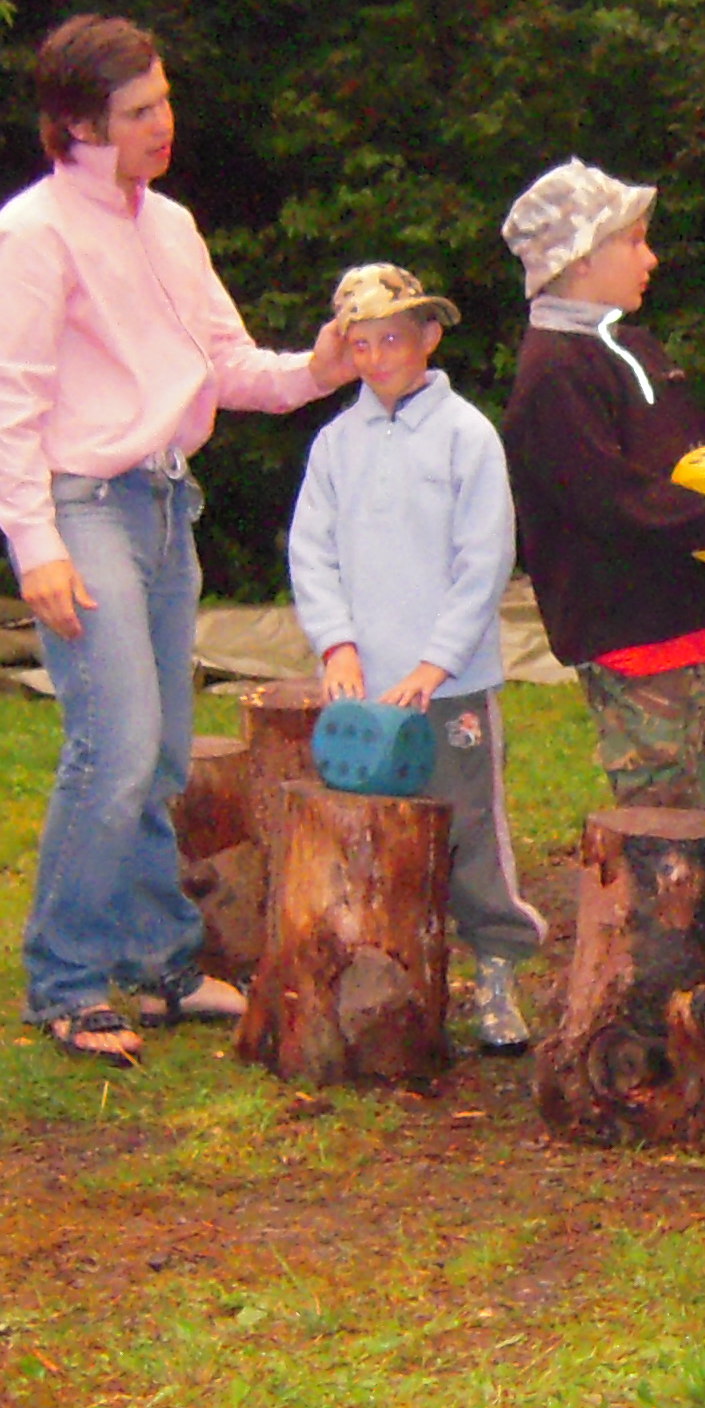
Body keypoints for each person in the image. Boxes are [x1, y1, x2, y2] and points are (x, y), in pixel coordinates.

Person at [0, 15, 353, 1068]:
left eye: (165, 100)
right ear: (80, 127)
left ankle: (160, 965)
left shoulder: (171, 226)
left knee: (166, 752)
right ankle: (66, 982)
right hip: (81, 506)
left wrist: (319, 367)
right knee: (116, 744)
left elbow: (224, 364)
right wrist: (35, 544)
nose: (163, 123)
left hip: (166, 504)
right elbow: (1, 403)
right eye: (139, 111)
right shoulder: (30, 236)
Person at [285, 263, 543, 1054]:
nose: (376, 358)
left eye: (392, 339)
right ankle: (382, 977)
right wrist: (337, 643)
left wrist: (437, 663)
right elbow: (311, 551)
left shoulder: (466, 435)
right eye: (359, 344)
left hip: (449, 687)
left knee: (468, 832)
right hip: (361, 690)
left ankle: (496, 970)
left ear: (429, 335)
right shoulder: (335, 444)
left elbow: (484, 559)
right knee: (366, 835)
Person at [501, 159, 705, 816]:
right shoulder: (553, 373)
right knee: (662, 823)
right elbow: (613, 499)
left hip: (701, 616)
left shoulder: (637, 346)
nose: (652, 259)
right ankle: (666, 892)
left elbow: (700, 460)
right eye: (635, 241)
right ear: (581, 257)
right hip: (632, 635)